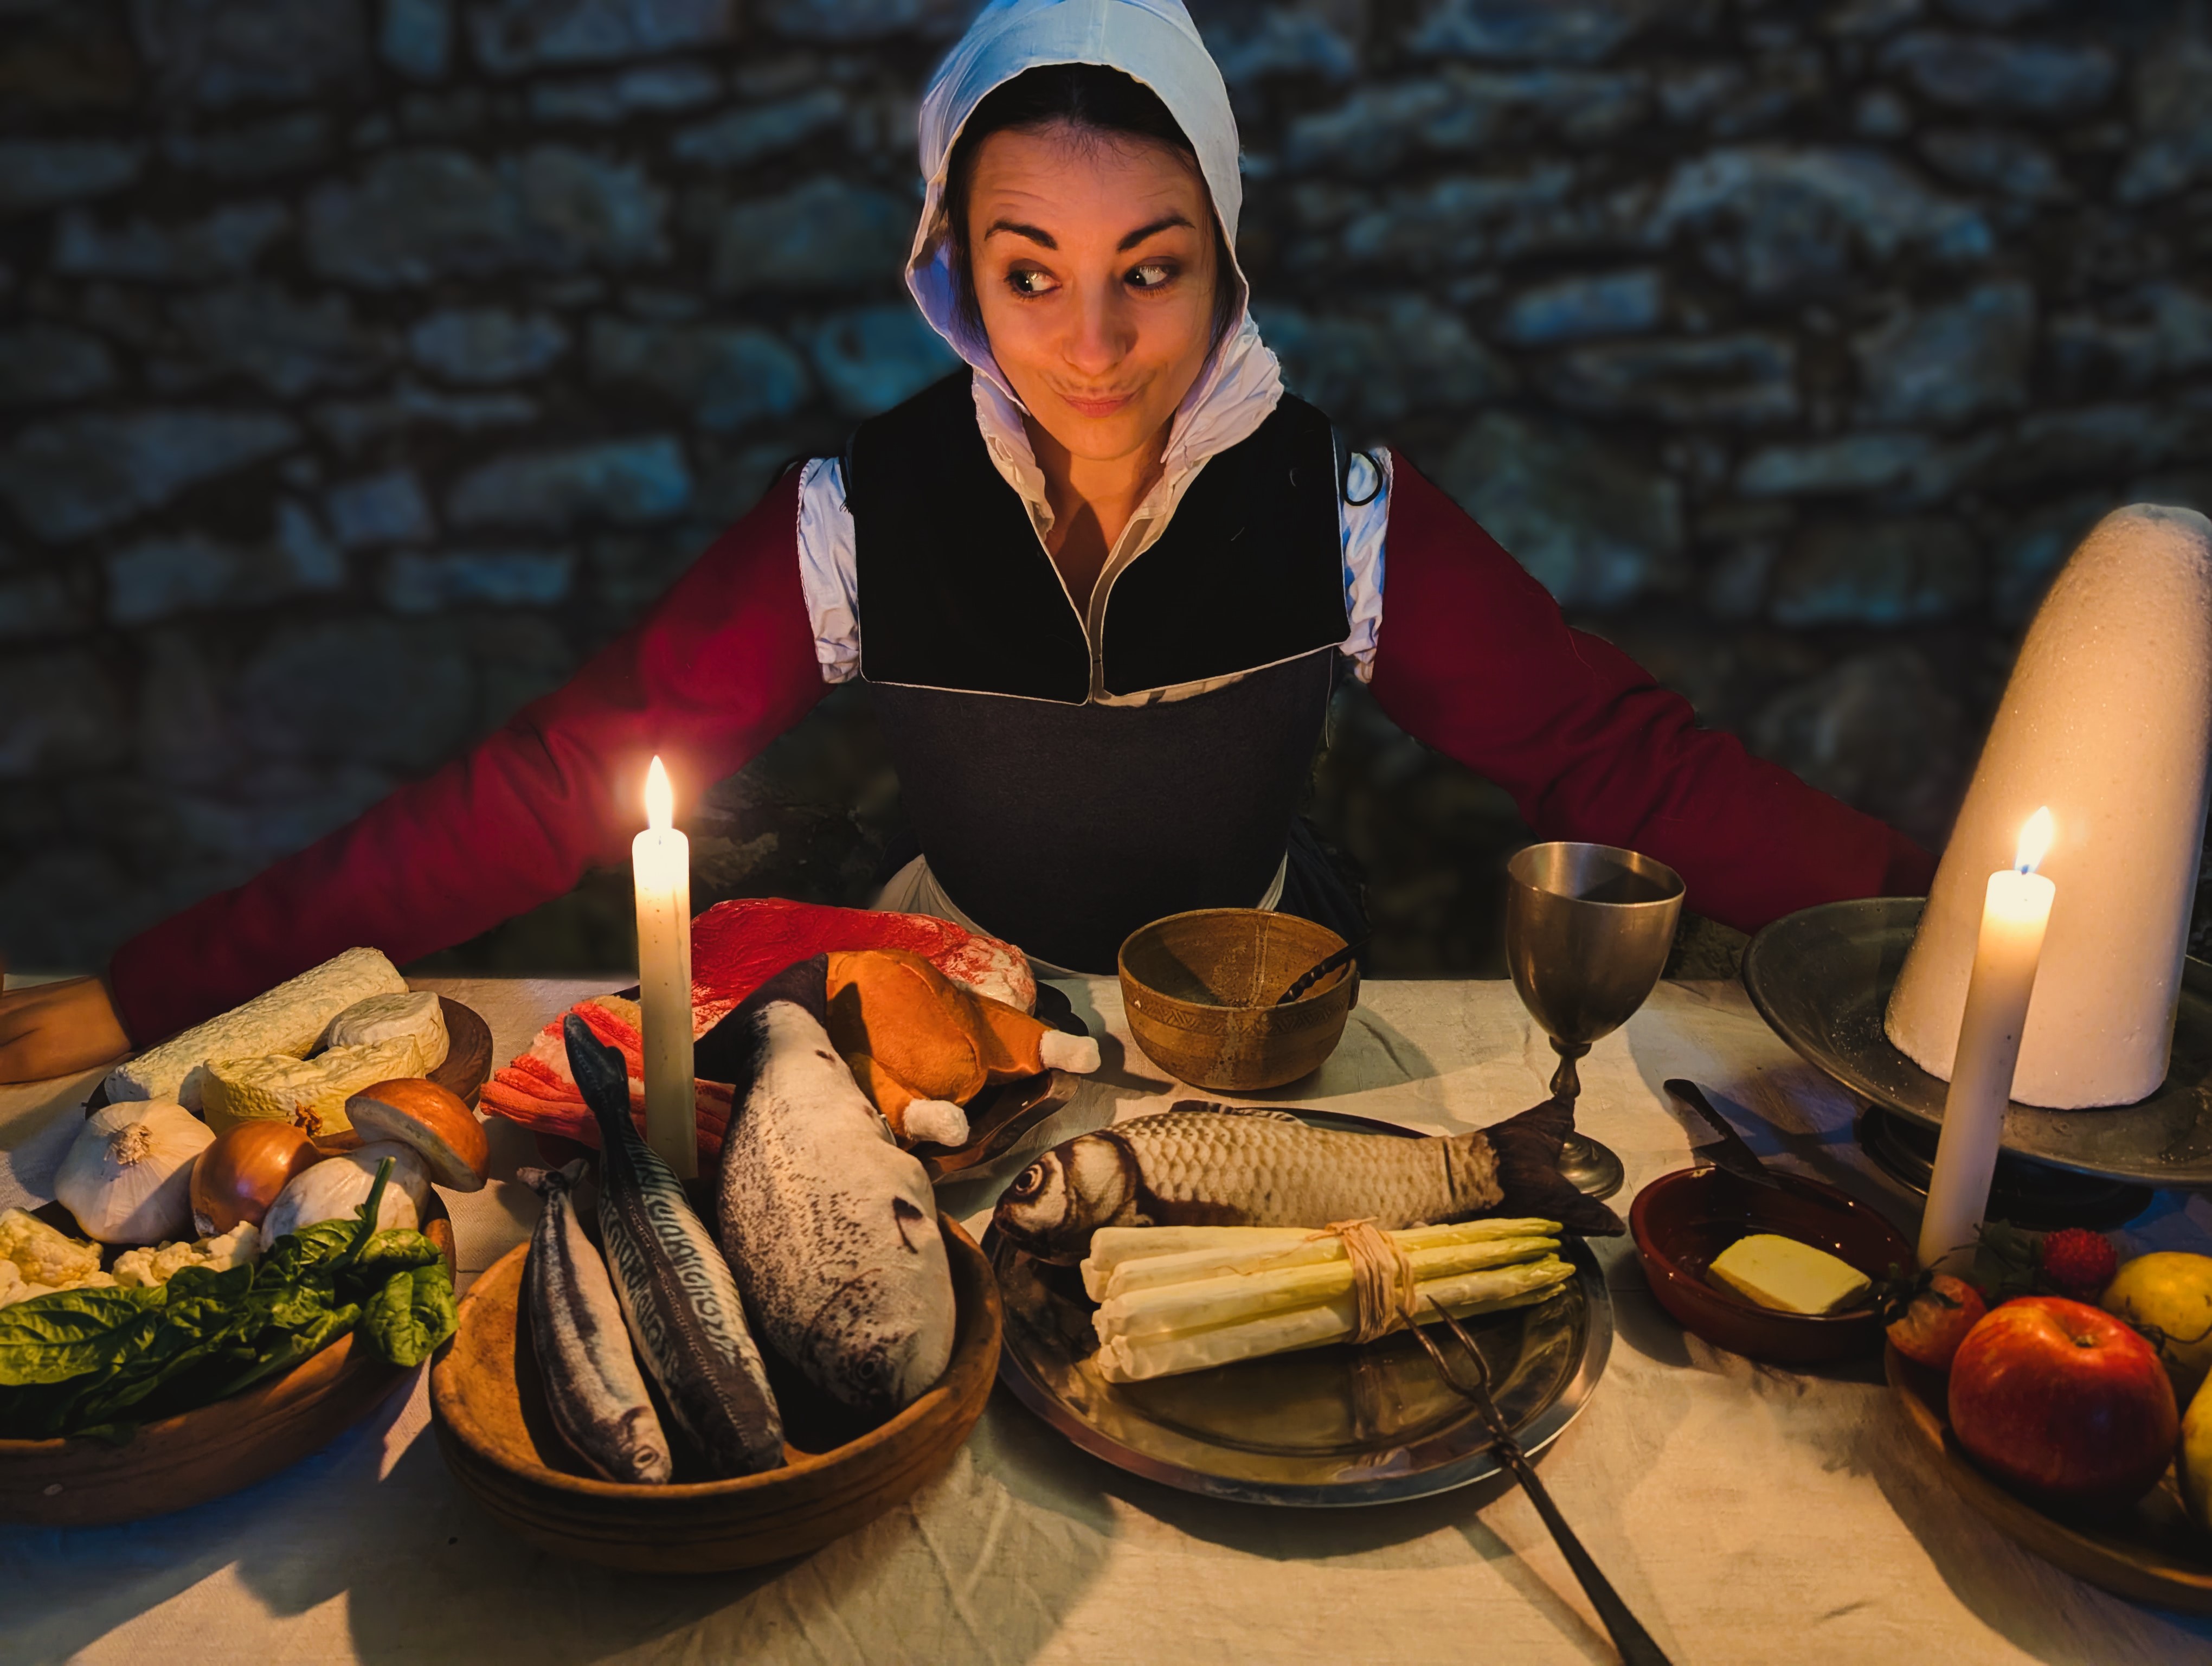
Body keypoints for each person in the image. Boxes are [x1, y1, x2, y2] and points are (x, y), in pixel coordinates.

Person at [0, 0, 1932, 1084]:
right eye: (1032, 273)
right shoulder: (861, 516)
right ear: (954, 271)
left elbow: (1617, 758)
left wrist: (1942, 930)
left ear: (1227, 261)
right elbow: (545, 783)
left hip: (1254, 1017)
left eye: (1149, 270)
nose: (1092, 346)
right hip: (946, 1030)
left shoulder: (1335, 508)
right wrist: (151, 993)